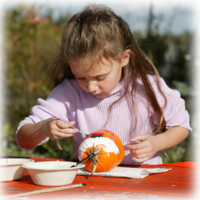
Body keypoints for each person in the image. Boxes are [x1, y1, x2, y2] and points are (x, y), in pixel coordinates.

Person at [16, 3, 191, 165]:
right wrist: (44, 128)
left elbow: (181, 125)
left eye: (100, 78)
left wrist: (157, 142)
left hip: (144, 182)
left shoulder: (146, 87)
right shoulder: (68, 93)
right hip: (89, 183)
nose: (91, 87)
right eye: (81, 77)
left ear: (124, 58)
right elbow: (23, 138)